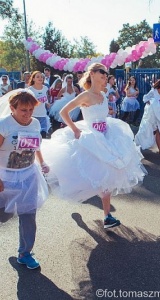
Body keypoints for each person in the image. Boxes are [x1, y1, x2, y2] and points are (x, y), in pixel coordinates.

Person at [41, 63, 147, 229]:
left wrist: (109, 113)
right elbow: (63, 112)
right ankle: (100, 213)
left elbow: (103, 113)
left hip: (107, 135)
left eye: (106, 74)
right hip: (91, 138)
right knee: (84, 174)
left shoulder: (104, 94)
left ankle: (107, 216)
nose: (105, 76)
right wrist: (75, 129)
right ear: (92, 74)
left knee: (109, 175)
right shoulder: (85, 96)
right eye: (102, 73)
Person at [0, 90, 49, 269]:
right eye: (23, 110)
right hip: (5, 177)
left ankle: (25, 253)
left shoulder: (35, 123)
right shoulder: (4, 125)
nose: (28, 114)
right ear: (12, 108)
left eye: (30, 110)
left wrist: (42, 162)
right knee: (3, 216)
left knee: (28, 215)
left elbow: (35, 146)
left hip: (28, 175)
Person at [28, 71, 50, 138]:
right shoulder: (30, 89)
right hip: (33, 115)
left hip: (43, 115)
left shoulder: (45, 88)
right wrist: (37, 101)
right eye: (37, 77)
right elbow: (28, 102)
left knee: (43, 134)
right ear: (33, 79)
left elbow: (46, 98)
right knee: (34, 135)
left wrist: (47, 103)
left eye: (41, 77)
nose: (40, 78)